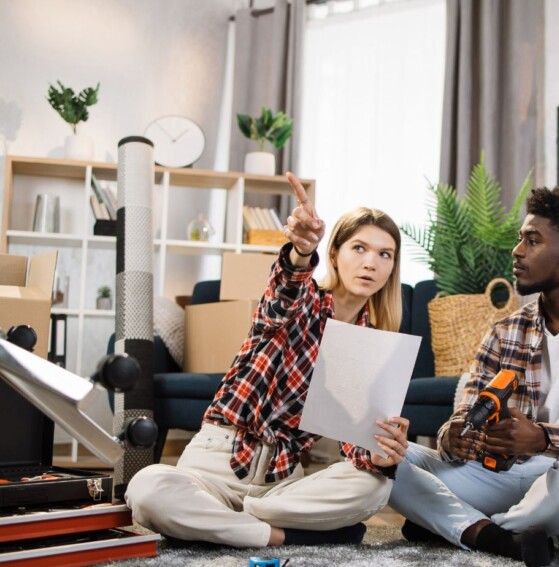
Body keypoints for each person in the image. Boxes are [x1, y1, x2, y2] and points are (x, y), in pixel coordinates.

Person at [127, 172, 410, 548]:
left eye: (384, 254)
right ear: (335, 254)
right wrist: (301, 250)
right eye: (359, 248)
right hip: (217, 461)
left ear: (392, 267)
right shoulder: (301, 300)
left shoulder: (374, 345)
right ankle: (281, 537)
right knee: (146, 488)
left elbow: (354, 447)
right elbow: (286, 287)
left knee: (374, 487)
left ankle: (228, 524)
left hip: (281, 484)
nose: (371, 262)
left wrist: (379, 455)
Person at [388, 187, 559, 567]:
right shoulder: (505, 330)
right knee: (384, 454)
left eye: (532, 241)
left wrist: (542, 437)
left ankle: (463, 526)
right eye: (520, 239)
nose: (517, 251)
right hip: (505, 478)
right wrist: (455, 436)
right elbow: (465, 411)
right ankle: (500, 536)